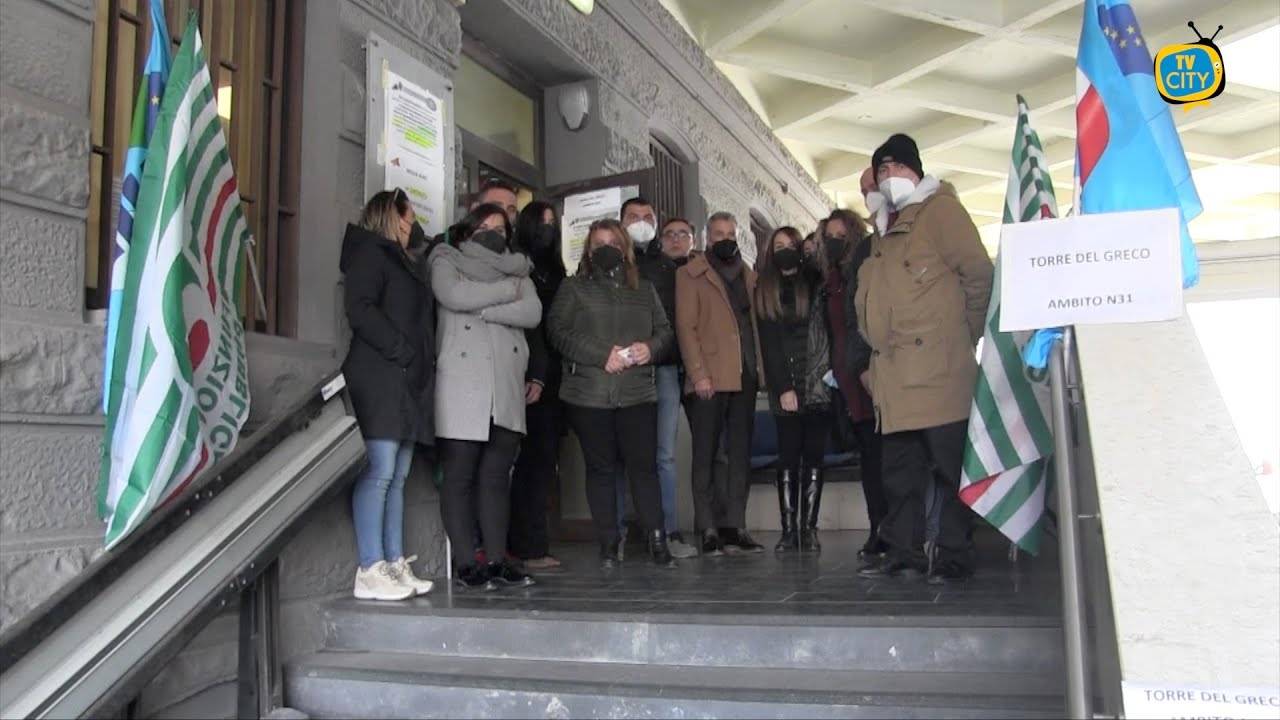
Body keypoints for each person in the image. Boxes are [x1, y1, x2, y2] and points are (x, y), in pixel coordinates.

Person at [854, 133, 994, 583]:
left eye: (897, 168)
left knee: (952, 470)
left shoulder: (941, 212)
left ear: (917, 171)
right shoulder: (881, 228)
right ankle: (904, 554)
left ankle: (955, 554)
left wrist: (962, 335)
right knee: (900, 476)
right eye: (882, 170)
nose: (889, 176)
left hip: (940, 371)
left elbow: (979, 276)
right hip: (893, 378)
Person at [547, 219, 677, 569]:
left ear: (625, 248)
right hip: (588, 395)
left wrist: (651, 348)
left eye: (613, 242)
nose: (607, 248)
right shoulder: (573, 288)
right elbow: (557, 332)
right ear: (589, 250)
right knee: (601, 470)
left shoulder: (644, 289)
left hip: (637, 393)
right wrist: (600, 354)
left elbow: (665, 331)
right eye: (599, 243)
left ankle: (657, 538)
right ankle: (608, 542)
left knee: (643, 468)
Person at [432, 202, 542, 590]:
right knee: (460, 476)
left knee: (496, 478)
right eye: (486, 225)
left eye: (501, 226)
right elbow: (453, 295)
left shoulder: (520, 270)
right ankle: (466, 562)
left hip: (505, 384)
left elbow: (532, 313)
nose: (494, 231)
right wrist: (502, 294)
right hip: (462, 381)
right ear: (469, 227)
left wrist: (490, 311)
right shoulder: (446, 257)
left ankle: (496, 559)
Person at [340, 189, 436, 601]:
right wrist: (402, 351)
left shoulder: (402, 261)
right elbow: (359, 309)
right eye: (408, 216)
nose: (412, 223)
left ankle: (394, 564)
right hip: (379, 376)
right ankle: (370, 567)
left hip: (404, 379)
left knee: (397, 477)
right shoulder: (370, 253)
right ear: (390, 216)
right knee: (379, 473)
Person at [676, 211, 765, 556]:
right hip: (709, 378)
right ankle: (708, 528)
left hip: (744, 376)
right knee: (706, 455)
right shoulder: (690, 274)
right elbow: (686, 327)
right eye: (718, 233)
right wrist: (698, 374)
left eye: (730, 233)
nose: (725, 238)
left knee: (739, 455)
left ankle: (735, 527)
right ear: (706, 237)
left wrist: (759, 372)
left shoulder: (750, 276)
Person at [753, 226, 832, 553]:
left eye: (791, 244)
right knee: (788, 457)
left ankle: (809, 529)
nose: (785, 249)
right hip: (785, 384)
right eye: (779, 245)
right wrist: (783, 386)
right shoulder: (765, 289)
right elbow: (768, 346)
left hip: (817, 383)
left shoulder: (815, 283)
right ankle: (788, 531)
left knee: (813, 456)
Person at [821, 206, 886, 559]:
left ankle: (895, 530)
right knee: (869, 460)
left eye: (841, 237)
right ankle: (878, 528)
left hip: (873, 373)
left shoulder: (867, 270)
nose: (834, 243)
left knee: (887, 457)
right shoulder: (829, 281)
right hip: (847, 378)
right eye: (828, 237)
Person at [508, 201, 565, 570]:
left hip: (554, 379)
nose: (546, 229)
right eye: (540, 223)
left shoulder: (556, 271)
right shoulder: (516, 266)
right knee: (524, 463)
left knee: (544, 463)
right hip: (524, 372)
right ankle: (524, 547)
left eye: (552, 223)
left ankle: (531, 544)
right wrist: (536, 373)